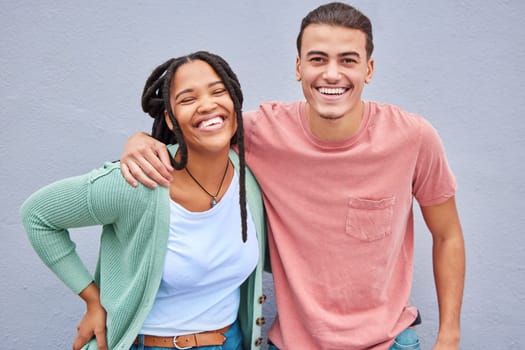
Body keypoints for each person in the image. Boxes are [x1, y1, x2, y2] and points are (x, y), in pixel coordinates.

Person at [119, 3, 466, 350]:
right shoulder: (259, 133)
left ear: (368, 69)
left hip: (389, 341)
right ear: (299, 67)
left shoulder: (413, 138)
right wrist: (142, 140)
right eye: (317, 59)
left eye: (348, 60)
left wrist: (449, 335)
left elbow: (447, 235)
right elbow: (200, 132)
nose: (332, 74)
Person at [20, 51, 267, 350]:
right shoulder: (140, 181)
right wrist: (92, 299)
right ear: (170, 119)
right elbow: (38, 215)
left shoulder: (248, 174)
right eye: (188, 99)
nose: (207, 105)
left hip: (233, 342)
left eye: (218, 92)